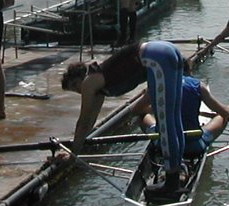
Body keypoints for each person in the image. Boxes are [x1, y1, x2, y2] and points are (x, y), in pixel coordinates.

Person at [59, 39, 187, 196]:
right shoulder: (99, 86)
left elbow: (83, 122)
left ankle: (171, 184)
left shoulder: (88, 82)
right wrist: (74, 152)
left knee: (166, 123)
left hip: (155, 57)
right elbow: (90, 121)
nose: (78, 91)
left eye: (74, 86)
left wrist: (72, 156)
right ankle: (174, 174)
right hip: (166, 50)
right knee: (172, 118)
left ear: (81, 77)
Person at [130, 75, 229, 158]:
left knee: (142, 115)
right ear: (188, 70)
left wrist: (154, 105)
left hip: (163, 144)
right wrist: (228, 109)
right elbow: (224, 113)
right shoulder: (198, 86)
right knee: (221, 117)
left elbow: (134, 111)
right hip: (193, 144)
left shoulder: (156, 85)